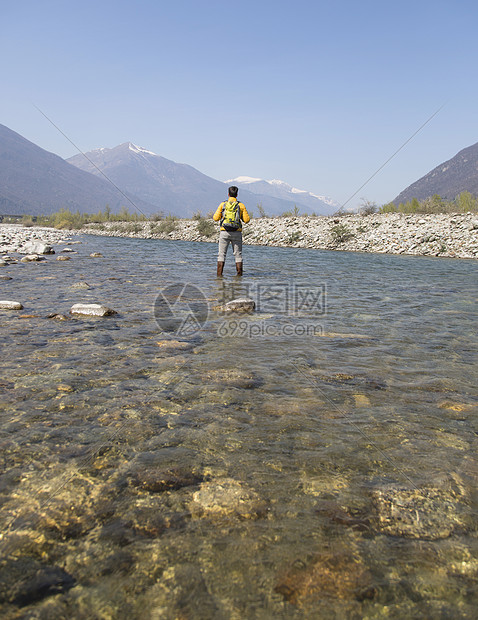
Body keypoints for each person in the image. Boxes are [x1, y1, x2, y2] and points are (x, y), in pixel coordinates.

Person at [213, 186, 250, 276]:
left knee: (221, 254)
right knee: (238, 255)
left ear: (228, 194)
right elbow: (247, 220)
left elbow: (215, 218)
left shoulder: (223, 204)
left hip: (224, 232)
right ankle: (239, 277)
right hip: (237, 232)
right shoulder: (241, 205)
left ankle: (219, 277)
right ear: (237, 195)